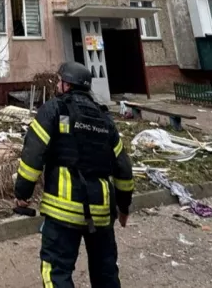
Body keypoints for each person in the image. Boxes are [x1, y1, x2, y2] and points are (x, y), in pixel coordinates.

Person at [15, 61, 134, 288]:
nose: (57, 85)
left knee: (56, 271)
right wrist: (124, 207)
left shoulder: (54, 109)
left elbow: (33, 154)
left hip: (63, 209)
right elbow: (124, 169)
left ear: (67, 85)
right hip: (101, 212)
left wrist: (22, 194)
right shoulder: (104, 119)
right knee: (106, 272)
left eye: (60, 81)